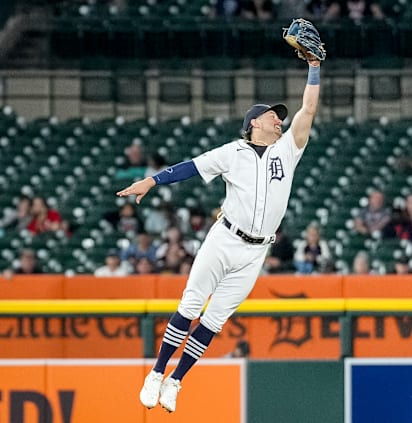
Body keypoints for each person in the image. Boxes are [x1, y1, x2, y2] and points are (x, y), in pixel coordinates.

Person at [118, 52, 323, 412]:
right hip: (225, 237)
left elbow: (307, 110)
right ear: (254, 122)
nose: (280, 120)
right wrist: (150, 181)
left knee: (214, 321)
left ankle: (176, 380)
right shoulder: (233, 152)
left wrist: (314, 68)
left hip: (256, 251)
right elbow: (190, 168)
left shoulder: (287, 151)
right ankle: (156, 372)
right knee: (191, 305)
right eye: (273, 115)